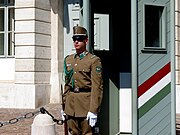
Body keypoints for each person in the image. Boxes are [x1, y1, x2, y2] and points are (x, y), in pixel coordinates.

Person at [62, 25, 103, 135]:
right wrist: (64, 105)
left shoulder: (93, 60)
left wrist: (94, 110)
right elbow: (67, 84)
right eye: (74, 39)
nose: (76, 42)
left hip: (86, 105)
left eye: (79, 39)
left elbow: (97, 86)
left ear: (86, 40)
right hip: (71, 106)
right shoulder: (68, 59)